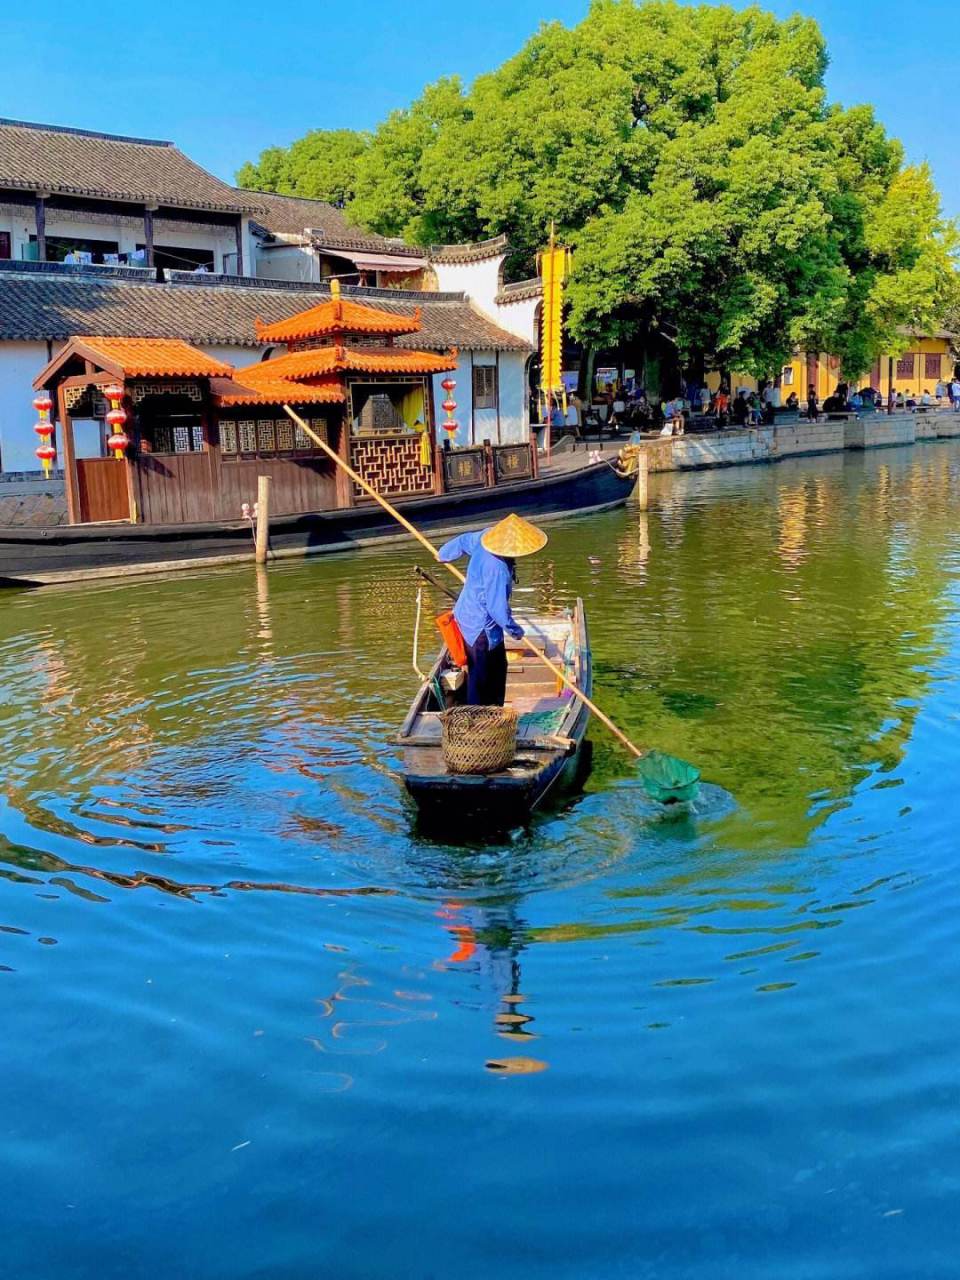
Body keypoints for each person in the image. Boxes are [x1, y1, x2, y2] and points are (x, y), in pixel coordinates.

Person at [437, 514, 547, 707]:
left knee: (491, 669)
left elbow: (463, 541)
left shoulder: (485, 537)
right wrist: (516, 630)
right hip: (481, 628)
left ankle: (489, 712)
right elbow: (498, 611)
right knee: (484, 678)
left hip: (467, 614)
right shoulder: (497, 568)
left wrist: (443, 554)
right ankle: (481, 720)